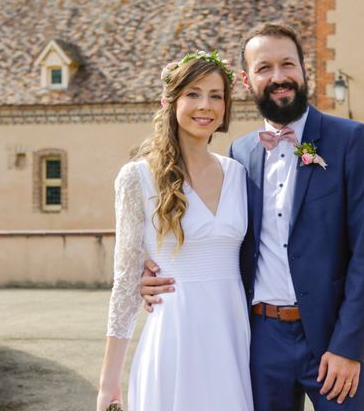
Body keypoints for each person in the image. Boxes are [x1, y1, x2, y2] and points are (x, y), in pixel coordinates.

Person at [142, 23, 364, 410]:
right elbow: (216, 236)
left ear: (305, 70)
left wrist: (348, 346)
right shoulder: (239, 156)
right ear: (246, 79)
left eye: (287, 64)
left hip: (333, 339)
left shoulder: (351, 140)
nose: (278, 77)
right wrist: (150, 271)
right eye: (264, 68)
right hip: (259, 341)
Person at [97, 51, 253, 411]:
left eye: (216, 95)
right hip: (174, 337)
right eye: (194, 94)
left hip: (233, 338)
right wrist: (109, 384)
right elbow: (124, 284)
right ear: (171, 101)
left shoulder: (239, 174)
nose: (206, 105)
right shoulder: (137, 177)